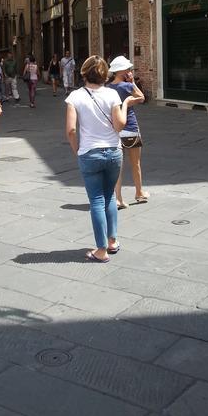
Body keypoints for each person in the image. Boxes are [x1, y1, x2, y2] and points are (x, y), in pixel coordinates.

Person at [65, 55, 139, 263]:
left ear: (84, 73)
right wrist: (124, 106)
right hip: (113, 152)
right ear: (105, 74)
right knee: (109, 198)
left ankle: (101, 250)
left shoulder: (75, 97)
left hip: (90, 153)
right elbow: (120, 125)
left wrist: (77, 149)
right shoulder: (113, 95)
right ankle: (113, 241)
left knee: (96, 200)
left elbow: (71, 130)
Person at [107, 55, 149, 209]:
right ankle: (139, 193)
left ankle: (117, 198)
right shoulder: (127, 87)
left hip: (116, 130)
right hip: (130, 128)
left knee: (118, 165)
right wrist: (132, 83)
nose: (130, 70)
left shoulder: (107, 88)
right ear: (122, 71)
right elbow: (142, 97)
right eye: (128, 69)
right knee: (135, 163)